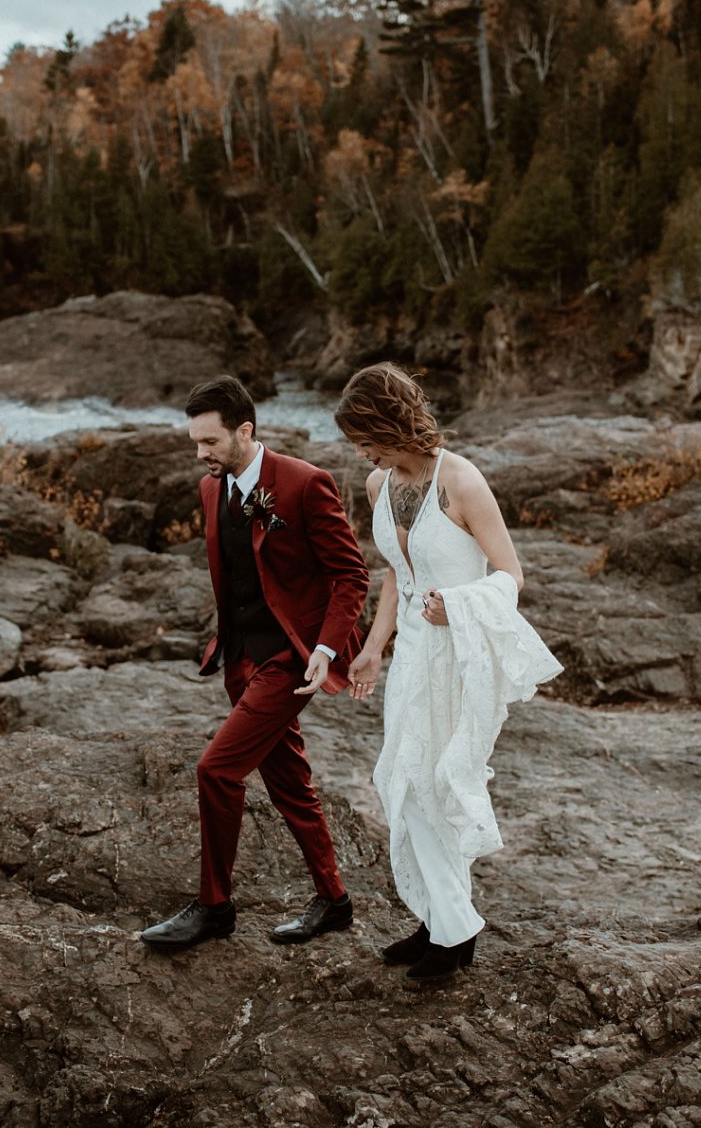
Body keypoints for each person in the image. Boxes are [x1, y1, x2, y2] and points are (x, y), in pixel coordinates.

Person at [336, 363, 563, 987]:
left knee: (437, 783)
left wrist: (455, 608)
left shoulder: (460, 480)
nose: (363, 452)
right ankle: (443, 921)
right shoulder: (379, 484)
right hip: (410, 653)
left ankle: (451, 931)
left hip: (459, 655)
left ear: (392, 422)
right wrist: (373, 646)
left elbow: (510, 575)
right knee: (404, 783)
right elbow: (394, 572)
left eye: (367, 436)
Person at [140, 376, 372, 950]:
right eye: (196, 442)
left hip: (291, 658)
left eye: (211, 442)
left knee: (216, 770)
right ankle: (334, 899)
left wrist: (322, 649)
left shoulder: (303, 483)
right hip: (239, 658)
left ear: (245, 430)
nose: (201, 454)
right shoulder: (210, 489)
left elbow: (351, 575)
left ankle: (214, 907)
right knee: (288, 779)